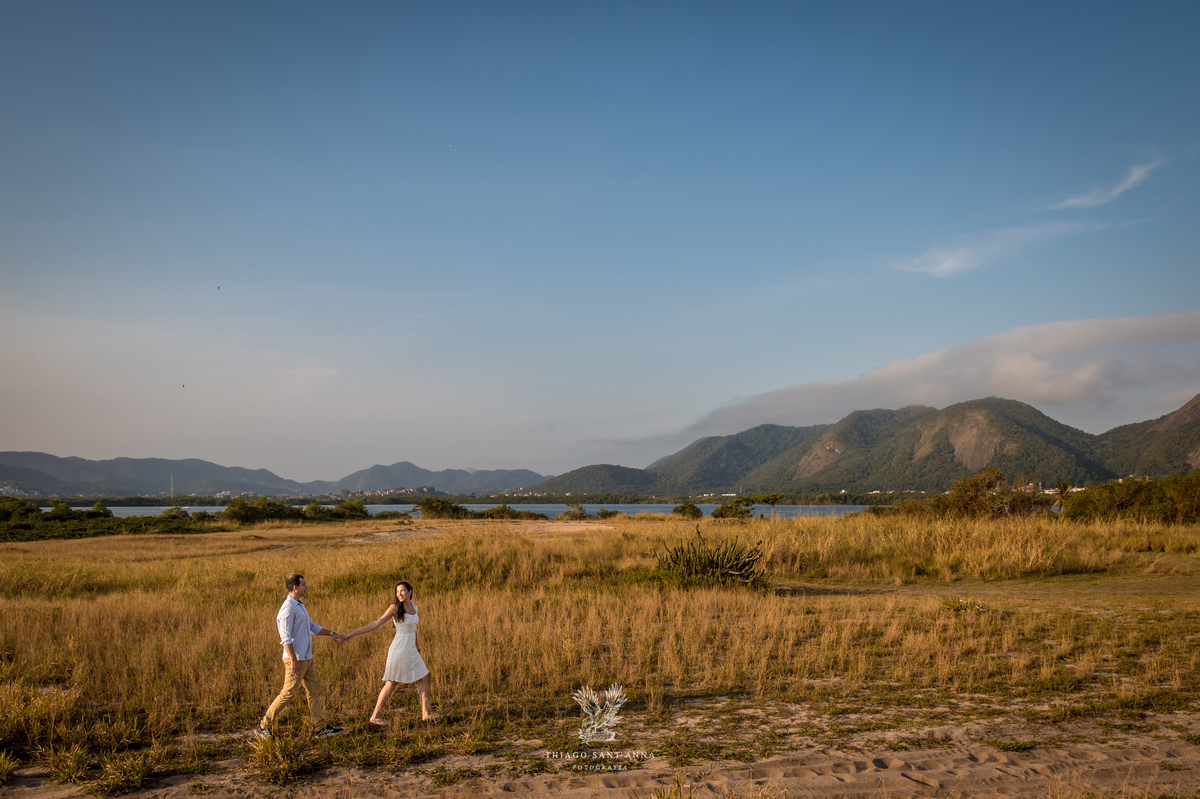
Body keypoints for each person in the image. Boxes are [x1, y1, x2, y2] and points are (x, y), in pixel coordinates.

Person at [254, 573, 344, 739]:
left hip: (307, 659)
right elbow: (285, 637)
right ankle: (263, 726)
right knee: (288, 693)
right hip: (296, 659)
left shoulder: (299, 605)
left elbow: (312, 626)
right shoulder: (287, 609)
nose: (306, 587)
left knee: (314, 691)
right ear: (295, 587)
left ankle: (320, 728)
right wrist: (293, 660)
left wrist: (331, 633)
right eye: (303, 584)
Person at [343, 580, 435, 725]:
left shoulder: (414, 607)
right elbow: (376, 623)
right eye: (397, 592)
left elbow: (413, 628)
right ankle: (375, 716)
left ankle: (426, 713)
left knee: (425, 676)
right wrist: (353, 634)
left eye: (402, 591)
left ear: (410, 592)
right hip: (399, 649)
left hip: (411, 650)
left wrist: (417, 647)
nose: (400, 594)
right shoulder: (394, 608)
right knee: (392, 682)